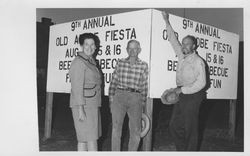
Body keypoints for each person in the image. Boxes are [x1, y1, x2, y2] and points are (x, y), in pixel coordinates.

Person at [162, 11, 207, 151]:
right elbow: (173, 40)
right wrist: (166, 21)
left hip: (194, 94)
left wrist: (183, 90)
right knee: (174, 126)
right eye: (184, 43)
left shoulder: (198, 61)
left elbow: (202, 83)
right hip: (182, 94)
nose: (184, 45)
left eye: (188, 44)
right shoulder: (182, 56)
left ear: (194, 47)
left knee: (190, 128)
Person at [109, 40, 148, 151]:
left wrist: (143, 104)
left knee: (136, 131)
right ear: (126, 50)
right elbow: (113, 82)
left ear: (139, 50)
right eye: (130, 48)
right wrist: (111, 101)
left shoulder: (143, 65)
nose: (132, 51)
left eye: (135, 48)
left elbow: (144, 86)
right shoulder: (120, 62)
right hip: (119, 96)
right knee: (116, 129)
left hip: (136, 98)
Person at [69, 33, 102, 151]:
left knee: (83, 138)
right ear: (82, 46)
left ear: (96, 46)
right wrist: (80, 109)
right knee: (91, 139)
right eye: (86, 44)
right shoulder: (79, 62)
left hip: (91, 104)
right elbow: (76, 87)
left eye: (92, 44)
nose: (90, 47)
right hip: (83, 105)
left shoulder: (90, 61)